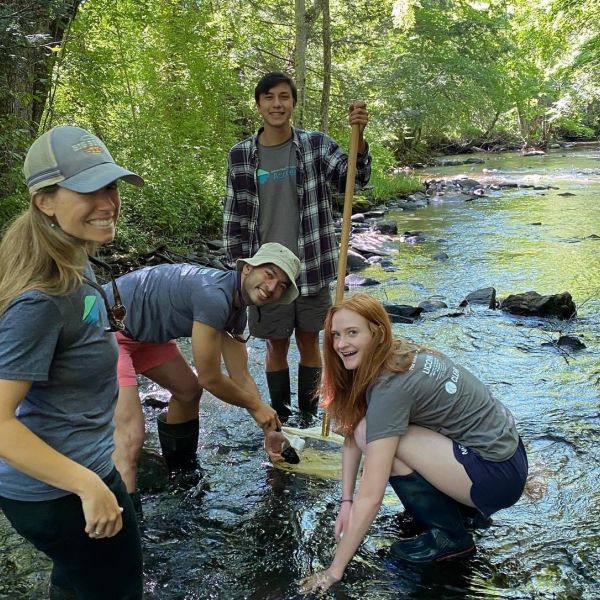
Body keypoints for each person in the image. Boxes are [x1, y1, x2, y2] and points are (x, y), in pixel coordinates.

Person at [0, 125, 145, 599]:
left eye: (110, 186)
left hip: (72, 473)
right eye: (88, 189)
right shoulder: (42, 298)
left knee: (79, 583)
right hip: (58, 489)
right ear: (45, 200)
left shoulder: (71, 259)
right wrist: (88, 486)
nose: (108, 202)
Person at [300, 293, 528, 594]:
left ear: (376, 331)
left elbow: (371, 494)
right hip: (507, 458)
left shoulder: (389, 388)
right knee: (371, 430)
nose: (341, 344)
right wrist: (345, 502)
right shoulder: (397, 353)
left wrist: (334, 571)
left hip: (496, 476)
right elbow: (352, 432)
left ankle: (450, 535)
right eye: (335, 336)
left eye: (352, 333)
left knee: (379, 439)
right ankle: (460, 511)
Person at [223, 71, 371, 422]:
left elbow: (353, 176)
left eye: (285, 97)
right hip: (266, 274)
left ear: (293, 102)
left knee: (310, 343)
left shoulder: (315, 145)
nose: (277, 104)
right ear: (259, 104)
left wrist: (359, 137)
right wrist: (237, 271)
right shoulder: (242, 155)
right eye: (270, 97)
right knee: (275, 346)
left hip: (312, 264)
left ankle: (309, 415)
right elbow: (235, 214)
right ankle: (280, 417)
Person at [107, 242, 301, 511]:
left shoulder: (236, 310)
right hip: (103, 328)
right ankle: (127, 530)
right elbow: (210, 378)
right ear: (246, 269)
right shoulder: (214, 296)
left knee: (187, 390)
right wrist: (257, 406)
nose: (271, 287)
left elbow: (240, 374)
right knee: (130, 438)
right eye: (269, 274)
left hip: (143, 334)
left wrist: (270, 430)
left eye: (280, 285)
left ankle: (180, 472)